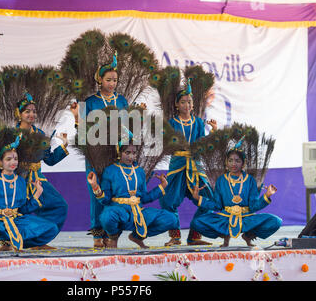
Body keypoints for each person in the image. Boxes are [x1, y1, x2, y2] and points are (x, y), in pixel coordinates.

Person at [0, 134, 59, 254]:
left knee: (52, 228)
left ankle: (11, 242)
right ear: (0, 162)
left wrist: (37, 194)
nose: (13, 162)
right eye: (8, 159)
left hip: (16, 220)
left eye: (15, 159)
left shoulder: (21, 181)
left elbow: (24, 209)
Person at [87, 139, 179, 248]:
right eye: (127, 153)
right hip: (119, 212)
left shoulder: (139, 171)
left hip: (138, 212)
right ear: (119, 153)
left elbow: (144, 198)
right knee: (106, 216)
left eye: (134, 153)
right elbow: (105, 200)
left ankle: (137, 237)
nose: (131, 156)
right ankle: (113, 238)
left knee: (171, 219)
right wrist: (95, 186)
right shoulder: (110, 171)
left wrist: (162, 187)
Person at [159, 81, 218, 246]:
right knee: (167, 200)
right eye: (183, 102)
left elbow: (202, 144)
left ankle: (194, 236)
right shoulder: (172, 122)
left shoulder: (198, 122)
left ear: (193, 105)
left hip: (195, 165)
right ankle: (175, 236)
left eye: (190, 102)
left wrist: (213, 132)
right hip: (178, 164)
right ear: (177, 104)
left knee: (208, 199)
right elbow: (167, 145)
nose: (187, 105)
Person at [189, 145, 282, 247]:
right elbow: (217, 205)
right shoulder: (221, 180)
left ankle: (248, 236)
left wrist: (266, 195)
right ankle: (225, 235)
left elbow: (254, 206)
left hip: (246, 218)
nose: (233, 164)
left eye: (237, 161)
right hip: (225, 218)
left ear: (243, 163)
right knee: (196, 222)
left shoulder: (250, 180)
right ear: (226, 162)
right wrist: (198, 198)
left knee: (275, 221)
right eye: (230, 160)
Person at [83, 53, 130, 248]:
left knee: (113, 192)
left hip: (116, 153)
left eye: (115, 80)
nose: (112, 83)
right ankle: (97, 233)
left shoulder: (122, 101)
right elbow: (84, 130)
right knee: (96, 192)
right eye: (108, 79)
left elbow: (127, 125)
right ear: (99, 80)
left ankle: (112, 233)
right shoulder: (90, 101)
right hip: (95, 153)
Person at [15, 92, 72, 239]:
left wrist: (63, 146)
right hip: (18, 179)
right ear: (19, 114)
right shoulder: (13, 134)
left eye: (34, 111)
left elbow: (50, 160)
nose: (31, 114)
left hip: (38, 179)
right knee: (18, 210)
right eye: (27, 111)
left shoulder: (40, 133)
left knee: (59, 206)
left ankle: (40, 239)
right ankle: (12, 239)